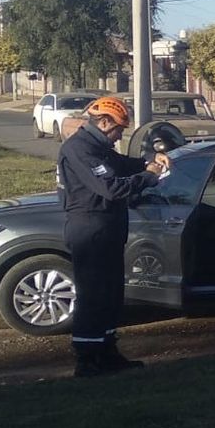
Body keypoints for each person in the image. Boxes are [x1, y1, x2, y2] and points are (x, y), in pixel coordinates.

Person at [57, 96, 169, 377]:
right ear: (104, 122)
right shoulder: (80, 149)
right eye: (119, 128)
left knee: (110, 294)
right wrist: (150, 175)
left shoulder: (99, 146)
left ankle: (107, 351)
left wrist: (149, 159)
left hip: (108, 228)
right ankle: (87, 359)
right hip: (90, 230)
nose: (121, 134)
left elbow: (122, 164)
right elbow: (111, 188)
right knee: (92, 295)